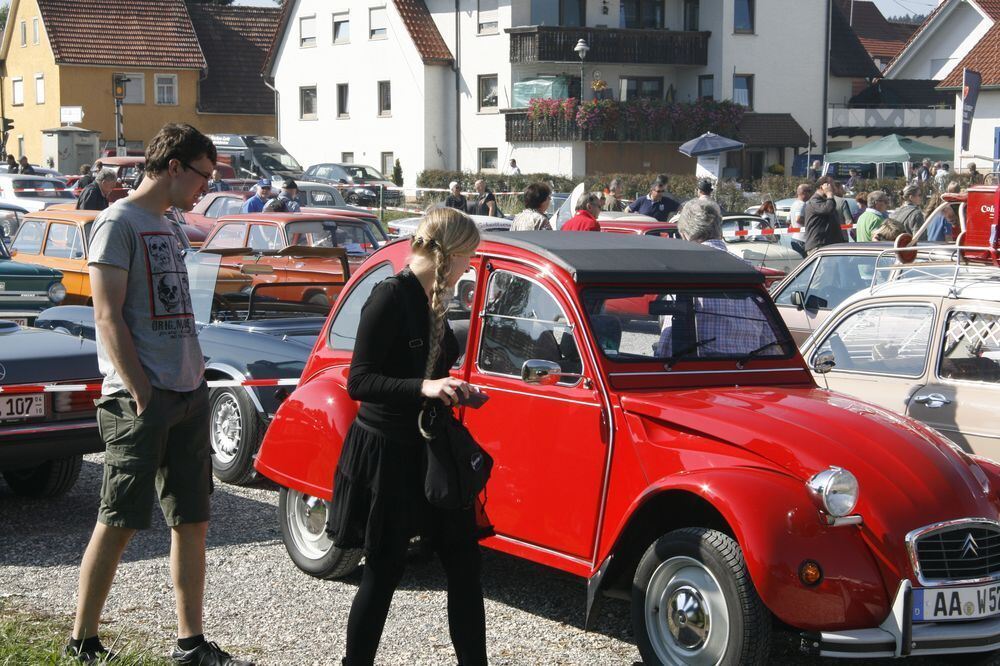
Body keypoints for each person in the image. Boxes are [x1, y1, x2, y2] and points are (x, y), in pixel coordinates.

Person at [66, 123, 253, 666]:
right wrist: (142, 391)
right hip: (139, 400)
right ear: (174, 166)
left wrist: (193, 378)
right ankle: (83, 641)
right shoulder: (116, 223)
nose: (205, 187)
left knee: (192, 520)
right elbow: (106, 316)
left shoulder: (169, 224)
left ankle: (190, 643)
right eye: (203, 175)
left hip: (189, 389)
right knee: (119, 519)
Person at [327, 206, 486, 666]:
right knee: (384, 567)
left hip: (430, 445)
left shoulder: (433, 297)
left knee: (463, 563)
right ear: (449, 254)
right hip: (386, 451)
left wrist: (453, 390)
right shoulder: (389, 296)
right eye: (469, 256)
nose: (471, 266)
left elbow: (431, 368)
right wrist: (424, 387)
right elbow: (359, 382)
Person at [658, 198, 778, 358]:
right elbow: (769, 344)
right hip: (746, 371)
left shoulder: (685, 274)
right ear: (720, 231)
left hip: (702, 372)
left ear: (684, 235)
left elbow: (668, 343)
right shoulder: (748, 272)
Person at [803, 176, 846, 254]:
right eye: (832, 186)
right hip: (819, 246)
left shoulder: (827, 201)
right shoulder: (814, 201)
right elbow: (827, 210)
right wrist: (829, 194)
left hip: (829, 245)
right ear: (822, 187)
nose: (834, 189)